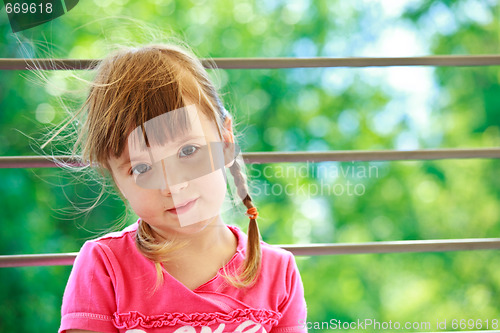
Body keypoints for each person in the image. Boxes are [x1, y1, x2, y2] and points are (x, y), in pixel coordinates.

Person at [53, 43, 308, 333]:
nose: (173, 185)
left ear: (225, 139)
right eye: (142, 168)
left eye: (188, 151)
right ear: (115, 179)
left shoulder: (278, 272)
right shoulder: (105, 267)